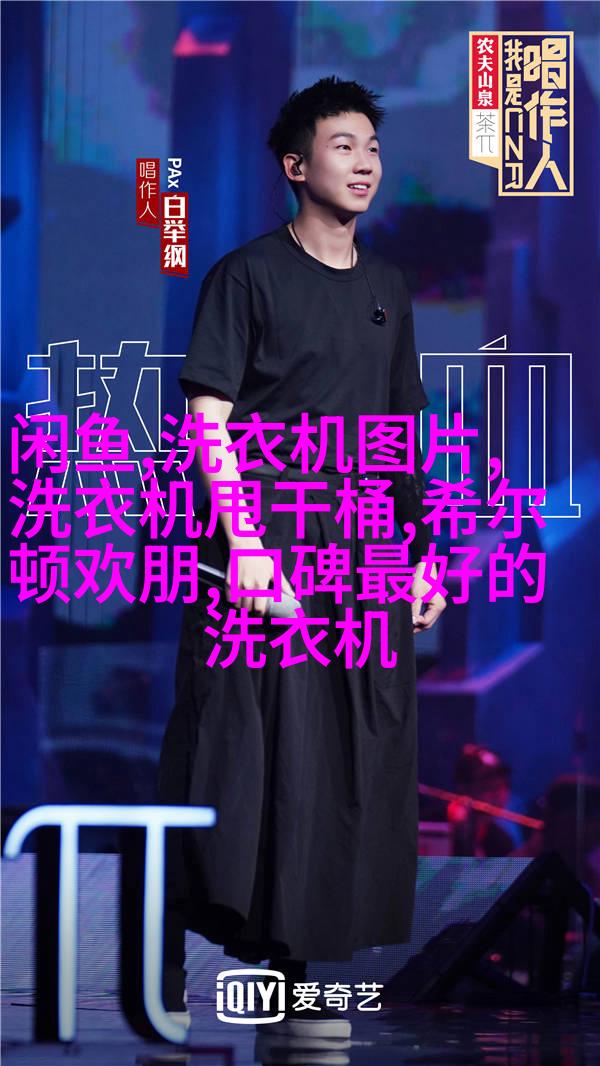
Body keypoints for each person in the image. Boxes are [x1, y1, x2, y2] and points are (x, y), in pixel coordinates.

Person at [157, 75, 446, 1034]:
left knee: (341, 755)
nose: (364, 163)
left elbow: (399, 437)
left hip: (359, 556)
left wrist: (421, 555)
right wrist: (244, 544)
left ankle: (297, 973)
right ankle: (172, 954)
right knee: (237, 753)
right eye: (342, 145)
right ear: (295, 165)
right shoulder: (245, 276)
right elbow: (209, 418)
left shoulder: (387, 288)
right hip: (264, 548)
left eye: (373, 146)